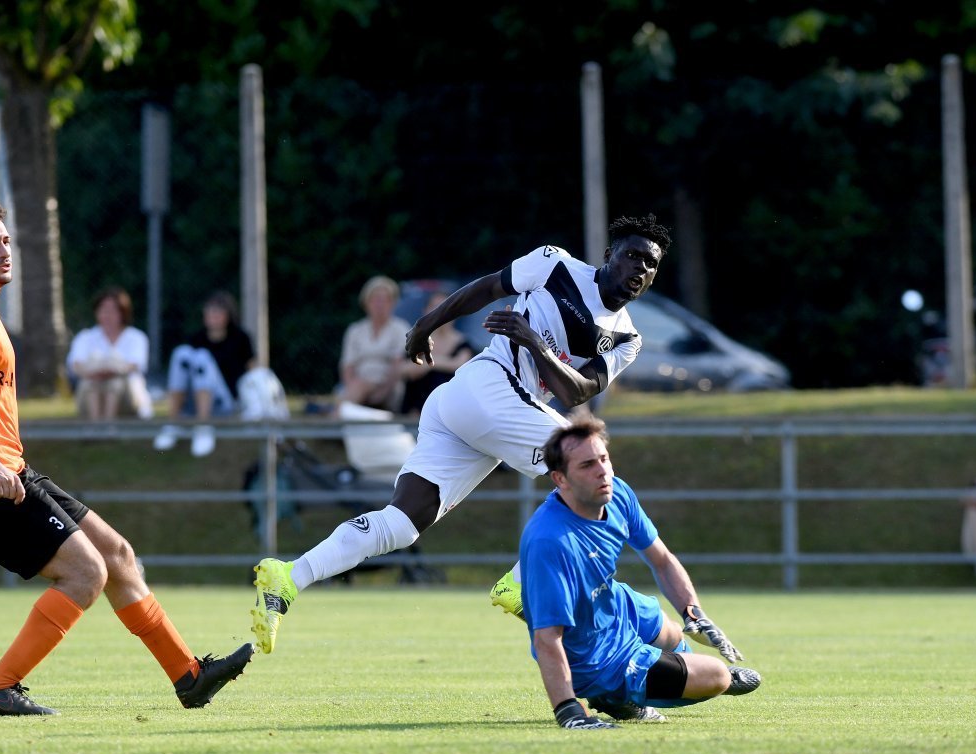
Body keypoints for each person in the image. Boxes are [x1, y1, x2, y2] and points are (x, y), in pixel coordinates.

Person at [248, 214, 672, 655]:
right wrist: (424, 326)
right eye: (632, 256)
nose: (639, 270)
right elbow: (487, 288)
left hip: (476, 407)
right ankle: (522, 583)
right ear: (610, 256)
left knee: (403, 523)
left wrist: (535, 344)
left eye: (651, 265)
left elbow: (574, 389)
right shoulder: (554, 264)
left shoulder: (626, 338)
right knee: (591, 467)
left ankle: (288, 577)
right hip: (486, 385)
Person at [0, 200, 253, 716]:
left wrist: (1, 465)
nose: (4, 250)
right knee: (86, 573)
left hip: (11, 471)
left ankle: (189, 676)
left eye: (6, 240)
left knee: (118, 555)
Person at [521, 417, 760, 728]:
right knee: (715, 676)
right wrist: (569, 711)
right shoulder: (550, 541)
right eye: (587, 465)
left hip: (613, 605)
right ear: (560, 479)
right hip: (594, 658)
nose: (602, 471)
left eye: (604, 459)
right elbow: (547, 639)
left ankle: (663, 669)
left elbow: (661, 559)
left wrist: (694, 614)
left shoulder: (616, 492)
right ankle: (615, 696)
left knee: (673, 631)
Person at [153, 290, 255, 457]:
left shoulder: (240, 338)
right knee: (181, 353)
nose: (212, 315)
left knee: (202, 357)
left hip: (225, 403)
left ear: (228, 315)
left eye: (217, 311)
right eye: (209, 311)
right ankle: (173, 423)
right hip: (193, 402)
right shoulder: (197, 338)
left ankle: (203, 426)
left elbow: (253, 372)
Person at [65, 286, 154, 421]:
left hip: (127, 399)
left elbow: (136, 365)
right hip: (89, 392)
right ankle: (96, 427)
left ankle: (108, 426)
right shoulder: (85, 337)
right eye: (103, 310)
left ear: (123, 312)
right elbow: (76, 365)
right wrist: (97, 372)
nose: (108, 315)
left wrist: (111, 370)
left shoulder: (136, 337)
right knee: (91, 382)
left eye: (113, 310)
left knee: (115, 383)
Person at [337, 275, 410, 412]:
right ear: (366, 302)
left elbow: (397, 364)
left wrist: (383, 391)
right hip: (358, 385)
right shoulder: (355, 330)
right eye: (376, 300)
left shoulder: (400, 329)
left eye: (385, 300)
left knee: (355, 390)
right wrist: (351, 386)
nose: (380, 305)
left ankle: (333, 422)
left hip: (388, 386)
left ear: (392, 303)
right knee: (357, 387)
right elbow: (347, 366)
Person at [398, 290, 474, 414]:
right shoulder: (417, 340)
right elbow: (401, 368)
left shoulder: (462, 343)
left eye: (444, 307)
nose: (440, 313)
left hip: (450, 410)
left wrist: (430, 363)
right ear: (426, 311)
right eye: (434, 307)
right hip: (415, 410)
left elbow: (461, 365)